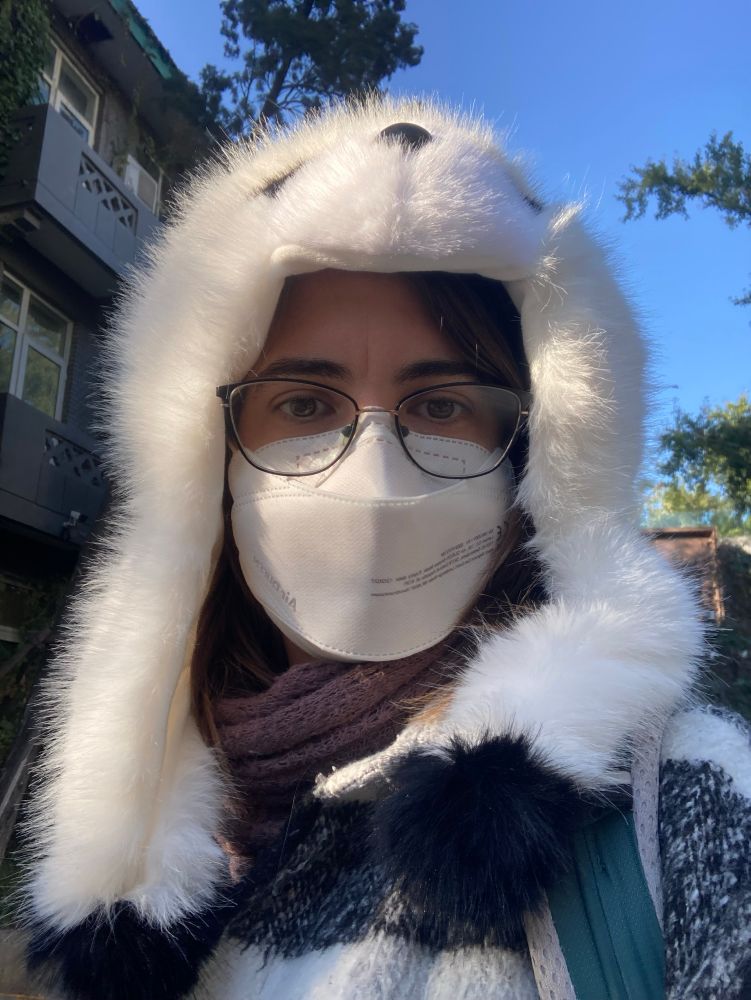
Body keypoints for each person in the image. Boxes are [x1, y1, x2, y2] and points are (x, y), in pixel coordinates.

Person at [24, 100, 751, 1000]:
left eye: (442, 405)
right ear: (204, 469)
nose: (370, 474)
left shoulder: (679, 800)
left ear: (536, 465)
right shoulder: (153, 881)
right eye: (301, 404)